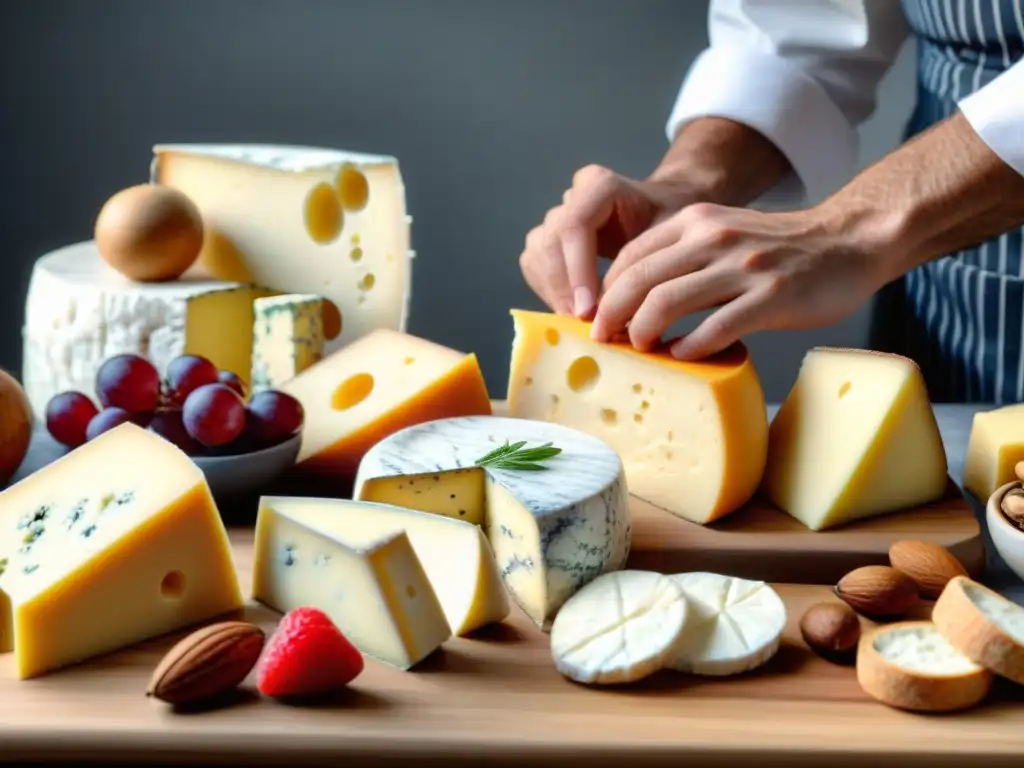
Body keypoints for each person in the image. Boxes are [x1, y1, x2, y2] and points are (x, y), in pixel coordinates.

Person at [518, 1, 1024, 403]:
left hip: (914, 235)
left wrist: (850, 229)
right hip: (949, 304)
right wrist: (689, 181)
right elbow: (809, 23)